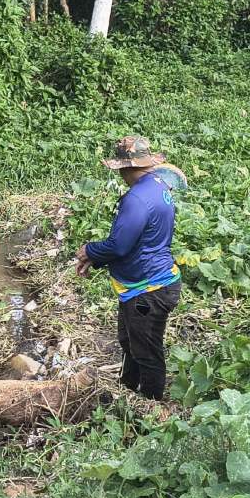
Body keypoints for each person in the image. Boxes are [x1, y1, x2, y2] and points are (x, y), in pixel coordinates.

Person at [76, 137, 181, 401]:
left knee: (147, 350)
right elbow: (138, 241)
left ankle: (150, 406)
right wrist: (97, 259)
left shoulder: (136, 198)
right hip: (145, 285)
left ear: (126, 167)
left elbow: (120, 245)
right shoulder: (159, 185)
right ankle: (127, 387)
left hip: (149, 289)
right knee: (129, 340)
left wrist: (89, 251)